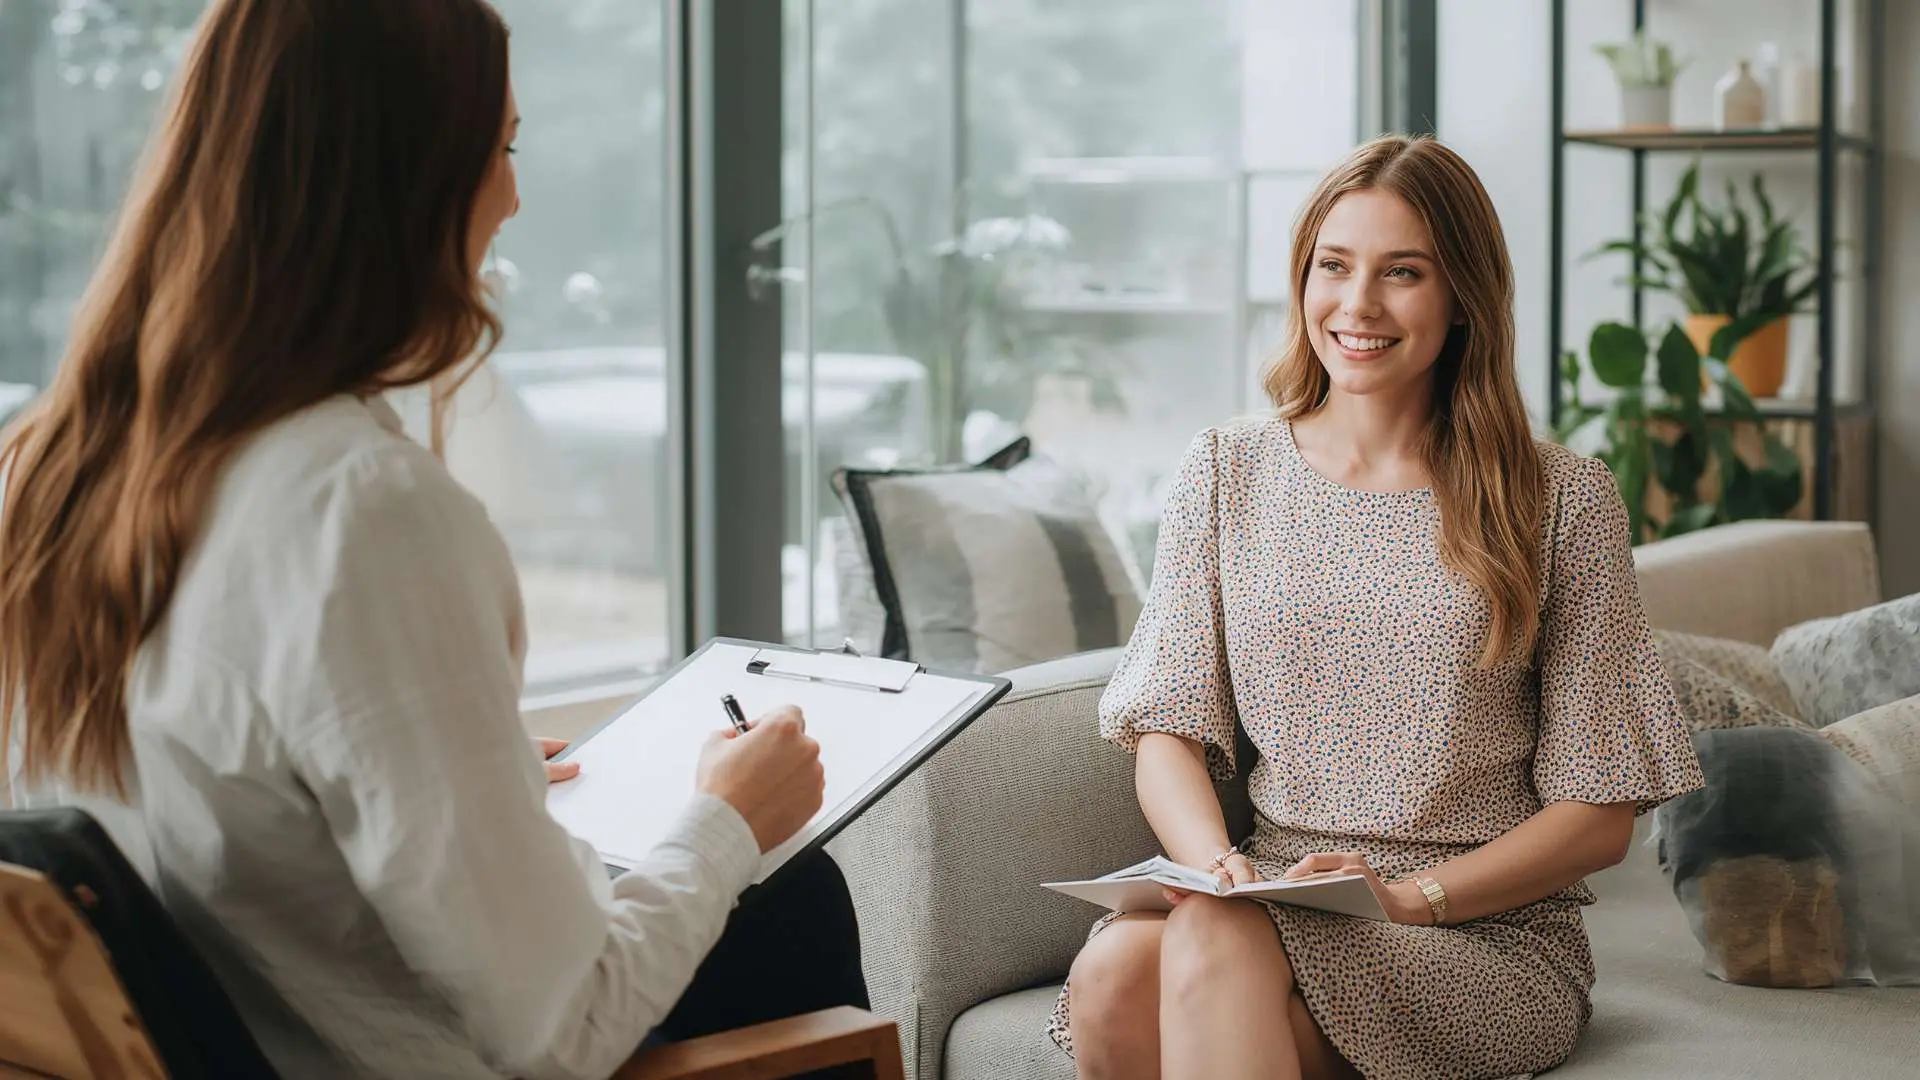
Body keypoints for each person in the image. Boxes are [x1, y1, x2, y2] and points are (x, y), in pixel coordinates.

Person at [0, 1, 866, 1077]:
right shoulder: (360, 511)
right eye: (499, 149)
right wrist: (731, 816)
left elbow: (224, 788)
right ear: (402, 184)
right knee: (791, 891)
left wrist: (466, 767)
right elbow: (561, 1032)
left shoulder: (49, 469)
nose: (515, 194)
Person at [1048, 134, 1707, 1080]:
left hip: (1476, 934)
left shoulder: (1561, 499)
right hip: (1272, 896)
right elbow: (1167, 731)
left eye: (1402, 273)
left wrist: (1404, 898)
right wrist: (1218, 866)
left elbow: (1599, 816)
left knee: (1211, 948)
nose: (1357, 306)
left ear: (1462, 297)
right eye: (1334, 267)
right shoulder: (1226, 472)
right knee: (1114, 966)